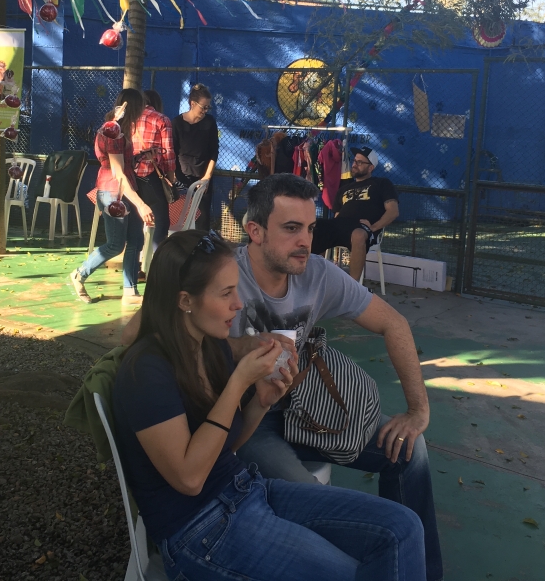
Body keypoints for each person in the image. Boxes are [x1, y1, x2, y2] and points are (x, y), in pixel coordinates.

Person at [122, 174, 443, 581]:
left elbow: (394, 324)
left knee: (411, 452)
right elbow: (137, 332)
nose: (306, 241)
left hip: (302, 404)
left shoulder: (318, 274)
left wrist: (418, 410)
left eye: (310, 228)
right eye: (291, 229)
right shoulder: (220, 274)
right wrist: (243, 352)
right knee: (314, 507)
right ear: (254, 231)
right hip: (246, 424)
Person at [70, 89, 154, 306]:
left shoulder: (120, 129)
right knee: (116, 244)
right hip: (114, 192)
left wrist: (141, 156)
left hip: (125, 190)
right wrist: (141, 204)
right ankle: (80, 274)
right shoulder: (113, 133)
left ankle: (130, 290)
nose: (144, 111)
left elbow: (121, 164)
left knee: (136, 239)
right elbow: (118, 173)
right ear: (134, 108)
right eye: (142, 107)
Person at [311, 146, 399, 281]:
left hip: (362, 226)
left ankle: (353, 287)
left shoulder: (381, 183)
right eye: (354, 161)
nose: (354, 164)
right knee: (313, 227)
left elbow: (393, 211)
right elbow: (337, 214)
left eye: (360, 162)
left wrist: (374, 227)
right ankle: (313, 278)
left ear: (371, 168)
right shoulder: (344, 188)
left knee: (358, 235)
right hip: (340, 224)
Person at [133, 90, 176, 246]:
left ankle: (135, 262)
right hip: (151, 175)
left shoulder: (129, 119)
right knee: (161, 222)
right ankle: (156, 259)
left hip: (129, 177)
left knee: (134, 223)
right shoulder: (162, 119)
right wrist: (170, 176)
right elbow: (169, 152)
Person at [172, 83, 218, 230]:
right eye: (203, 107)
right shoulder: (177, 123)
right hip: (181, 179)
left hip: (202, 178)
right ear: (192, 103)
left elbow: (214, 151)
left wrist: (207, 178)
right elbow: (171, 152)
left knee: (201, 220)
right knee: (181, 219)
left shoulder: (210, 122)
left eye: (208, 108)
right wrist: (173, 177)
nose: (205, 111)